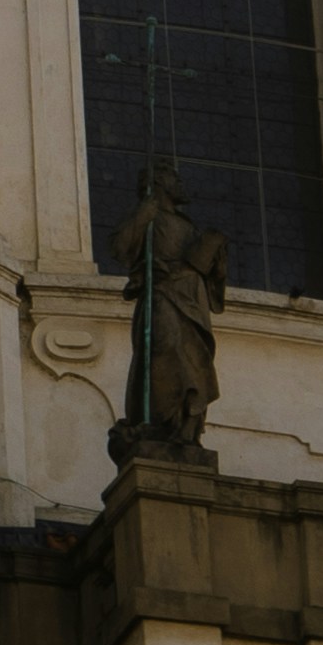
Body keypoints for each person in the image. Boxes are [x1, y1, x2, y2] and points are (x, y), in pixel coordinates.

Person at [111, 162, 226, 463]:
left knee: (194, 361)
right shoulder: (150, 216)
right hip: (163, 295)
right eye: (175, 178)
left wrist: (214, 255)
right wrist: (142, 214)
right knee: (165, 352)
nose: (182, 184)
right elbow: (120, 248)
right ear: (159, 183)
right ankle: (161, 423)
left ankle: (185, 429)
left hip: (192, 300)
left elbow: (209, 275)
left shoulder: (188, 225)